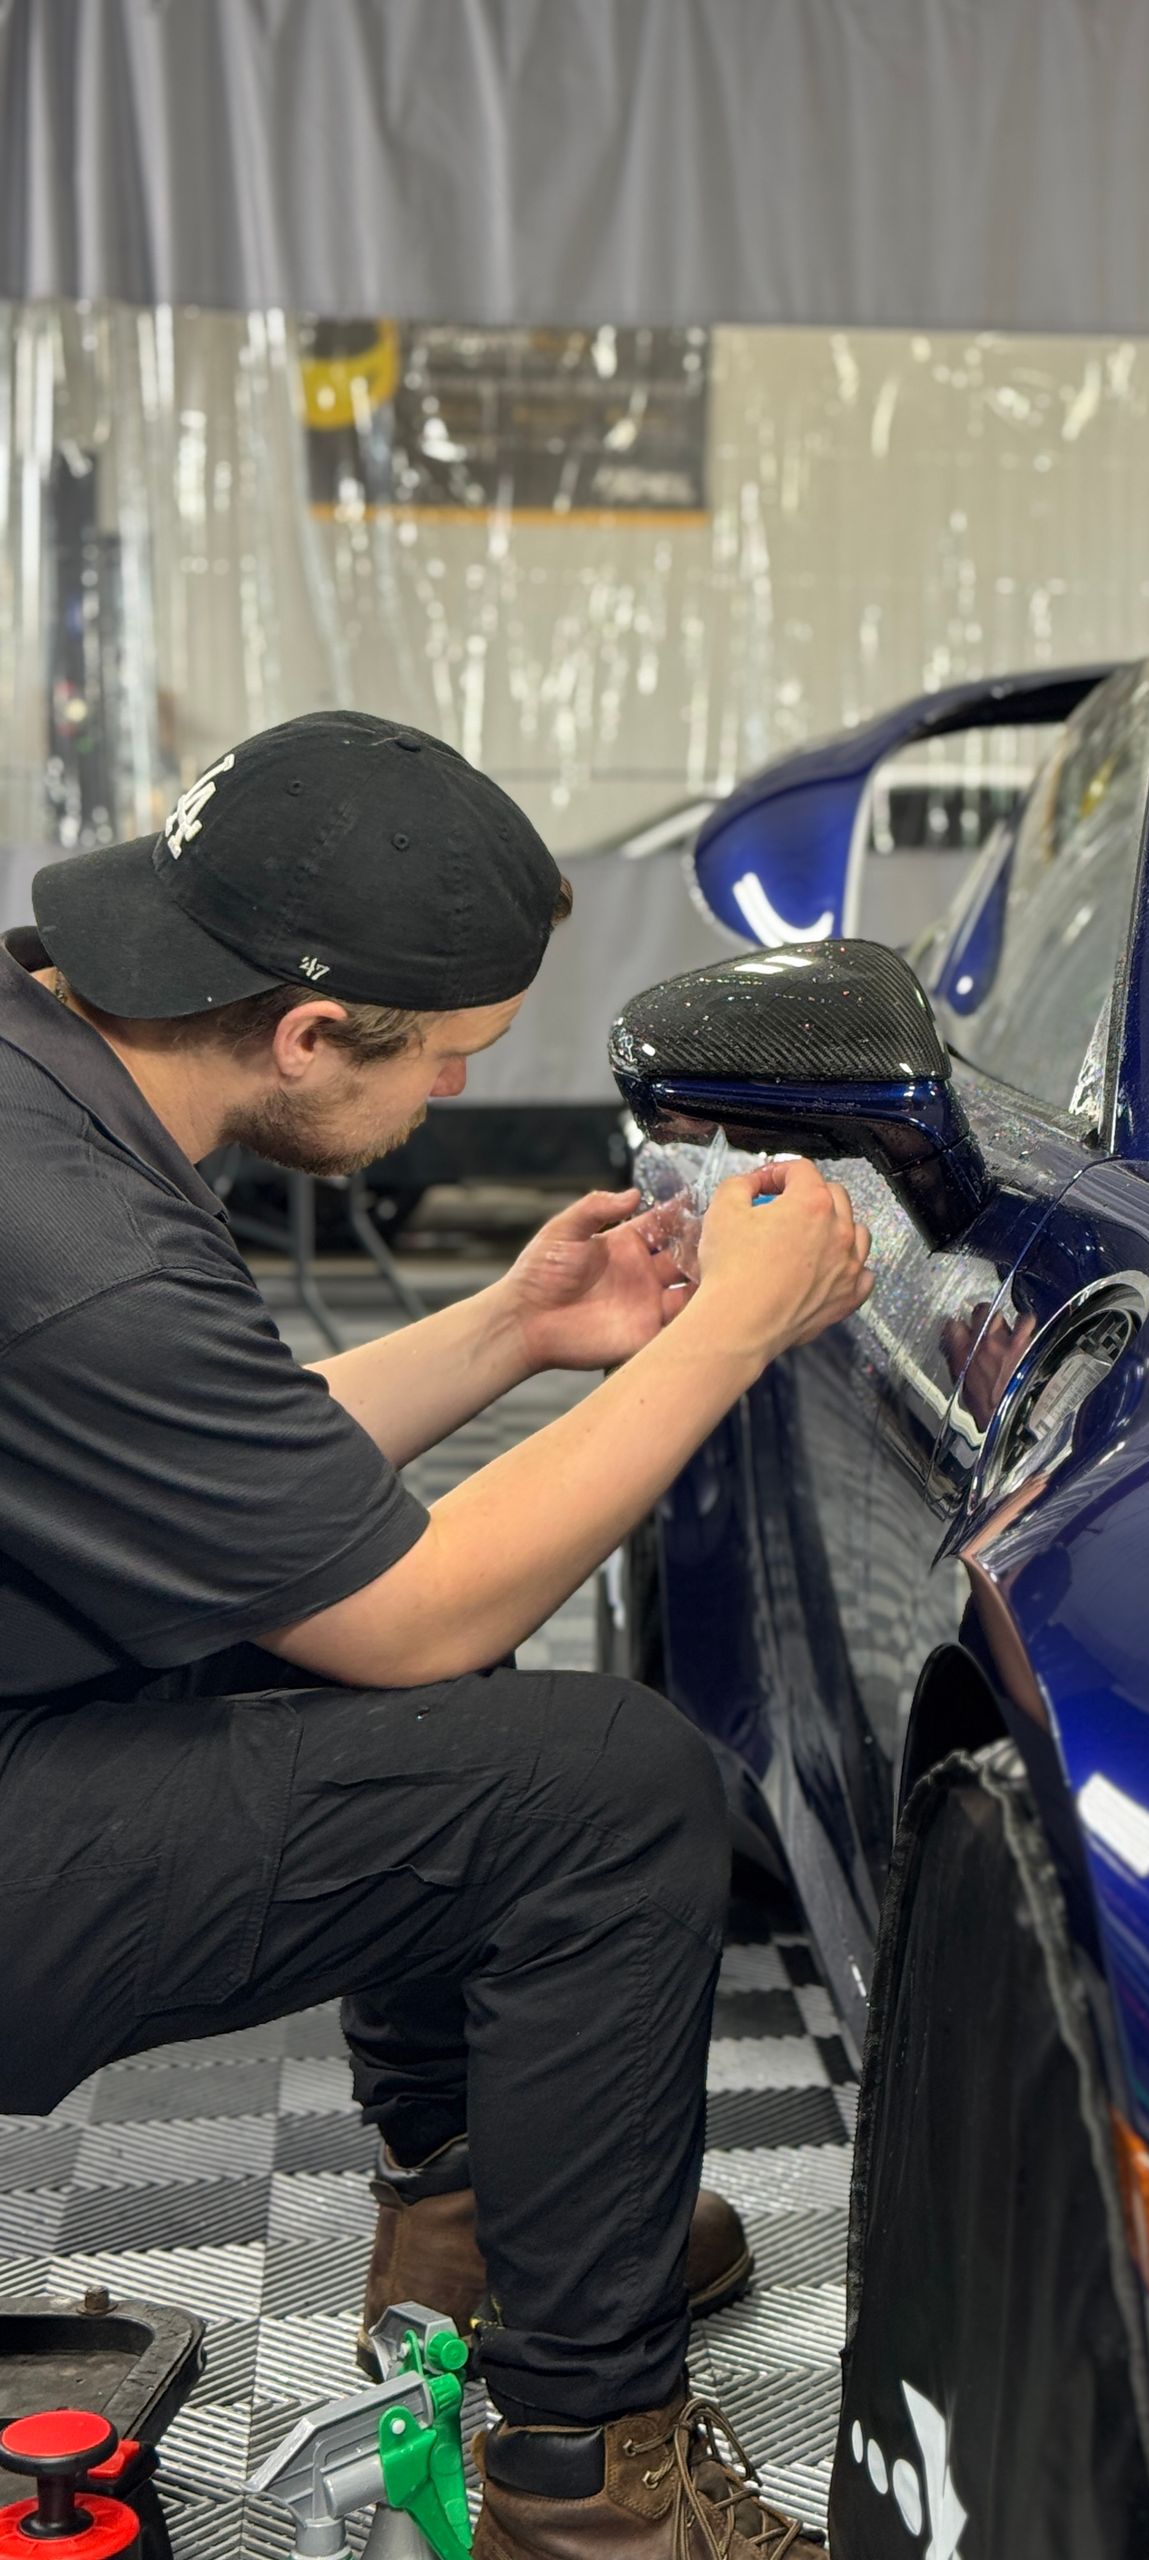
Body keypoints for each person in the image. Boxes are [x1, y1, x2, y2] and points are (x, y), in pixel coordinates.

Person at [0, 712, 871, 2560]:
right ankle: (595, 2480)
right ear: (309, 1034)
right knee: (615, 1787)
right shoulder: (82, 1245)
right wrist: (731, 1333)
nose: (455, 1104)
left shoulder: (38, 1094)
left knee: (394, 1614)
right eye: (447, 1068)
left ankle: (473, 2226)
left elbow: (219, 1481)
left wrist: (515, 1331)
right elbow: (413, 1615)